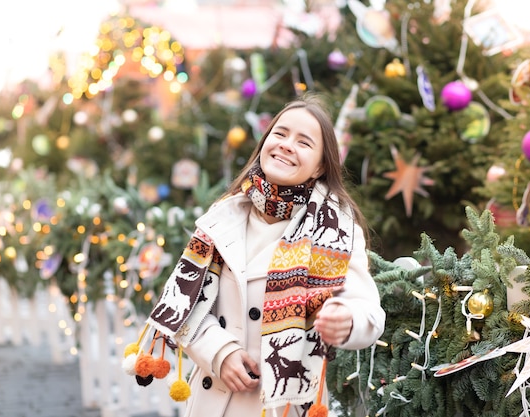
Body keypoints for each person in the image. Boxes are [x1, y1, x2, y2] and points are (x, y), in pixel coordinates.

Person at [139, 95, 385, 417]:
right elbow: (188, 301)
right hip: (212, 401)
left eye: (303, 142)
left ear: (321, 165)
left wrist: (346, 319)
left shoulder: (334, 231)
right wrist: (219, 353)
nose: (285, 145)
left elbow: (368, 311)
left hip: (280, 406)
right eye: (280, 134)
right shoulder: (223, 216)